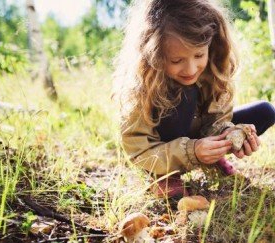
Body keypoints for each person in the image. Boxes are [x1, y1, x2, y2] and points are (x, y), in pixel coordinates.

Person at [113, 0, 275, 198]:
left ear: (211, 44)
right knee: (184, 92)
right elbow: (139, 151)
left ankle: (212, 158)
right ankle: (165, 176)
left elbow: (216, 120)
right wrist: (193, 151)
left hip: (195, 133)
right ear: (154, 54)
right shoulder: (142, 87)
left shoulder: (214, 69)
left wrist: (226, 134)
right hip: (161, 150)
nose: (190, 69)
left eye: (199, 55)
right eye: (176, 60)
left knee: (266, 111)